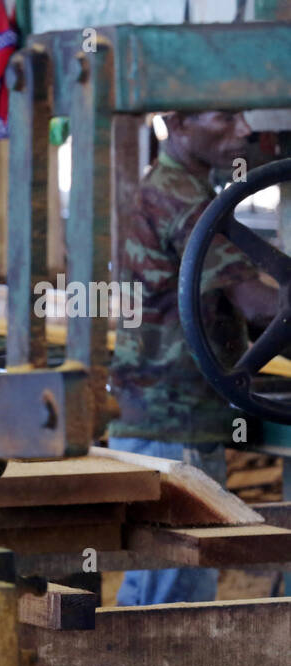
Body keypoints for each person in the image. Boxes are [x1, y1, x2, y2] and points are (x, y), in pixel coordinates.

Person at [109, 110, 280, 605]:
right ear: (178, 123)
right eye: (224, 118)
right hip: (172, 427)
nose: (243, 130)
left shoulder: (184, 190)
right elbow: (258, 304)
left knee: (150, 590)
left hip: (161, 420)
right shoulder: (177, 198)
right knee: (177, 603)